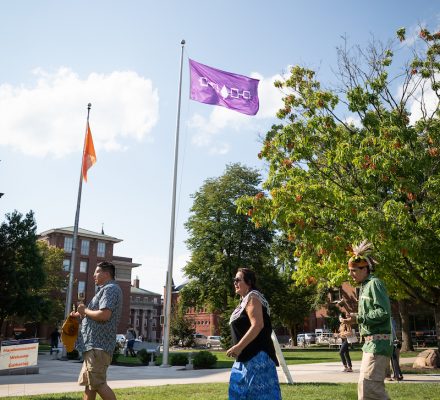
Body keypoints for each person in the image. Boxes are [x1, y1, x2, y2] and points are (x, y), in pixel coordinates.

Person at [343, 240, 392, 400]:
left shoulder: (374, 284)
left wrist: (358, 318)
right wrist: (355, 319)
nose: (350, 274)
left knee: (370, 390)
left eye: (354, 270)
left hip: (378, 344)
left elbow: (383, 312)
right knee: (366, 389)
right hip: (370, 344)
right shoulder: (365, 286)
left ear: (365, 268)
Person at [226, 267, 281, 400]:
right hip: (244, 359)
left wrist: (238, 347)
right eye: (234, 280)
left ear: (249, 282)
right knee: (237, 394)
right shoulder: (244, 301)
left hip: (257, 358)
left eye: (238, 279)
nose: (235, 282)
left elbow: (258, 325)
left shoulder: (253, 297)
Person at [71, 261, 122, 400]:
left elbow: (104, 315)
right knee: (90, 384)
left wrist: (84, 310)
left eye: (96, 272)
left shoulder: (110, 289)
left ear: (106, 274)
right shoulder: (105, 289)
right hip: (93, 346)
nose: (93, 275)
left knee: (98, 384)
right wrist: (80, 316)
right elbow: (96, 315)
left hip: (98, 346)